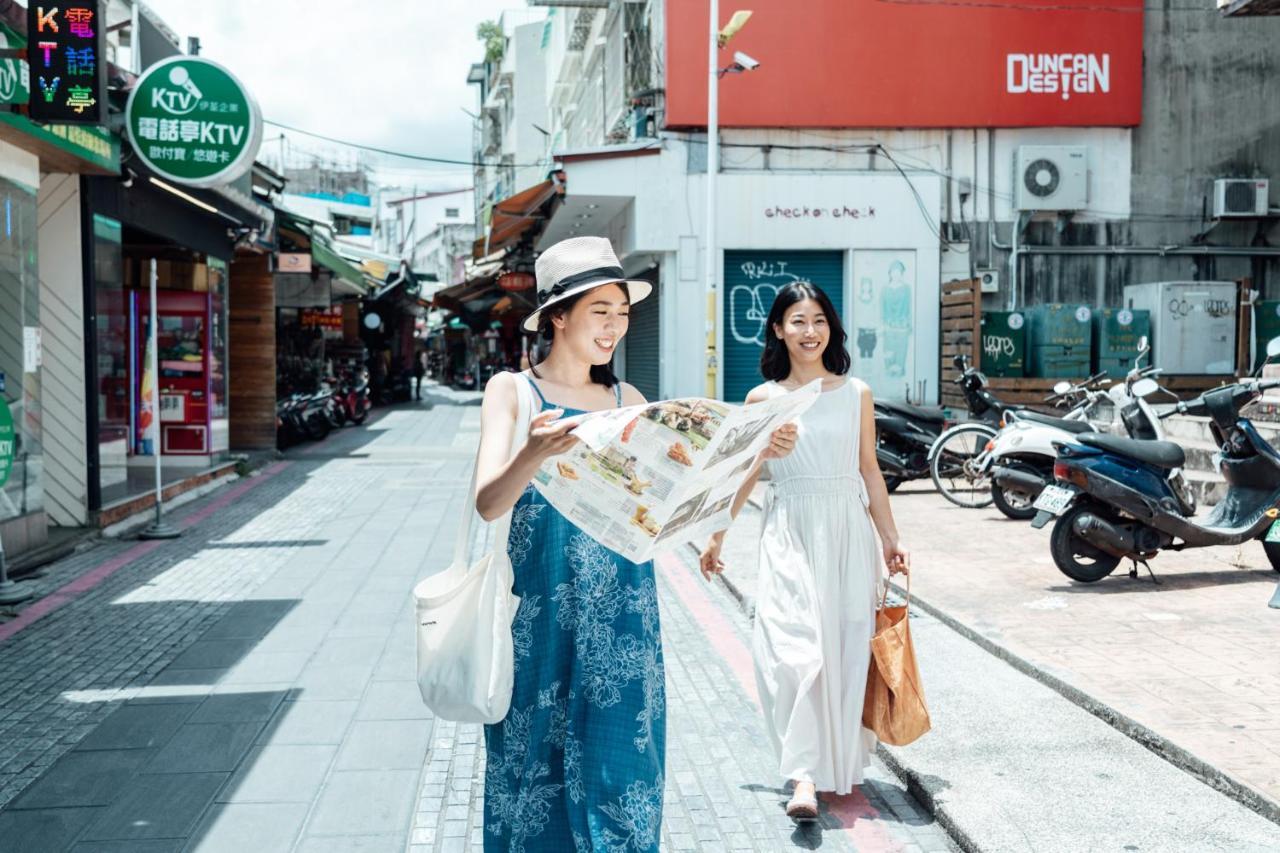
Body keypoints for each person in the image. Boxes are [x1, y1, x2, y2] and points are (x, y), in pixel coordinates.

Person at [475, 236, 789, 851]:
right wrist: (533, 453)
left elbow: (672, 508)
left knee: (623, 779)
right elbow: (487, 500)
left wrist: (753, 454)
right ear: (557, 316)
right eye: (601, 311)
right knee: (529, 776)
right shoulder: (511, 393)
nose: (615, 326)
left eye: (623, 313)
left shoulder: (631, 402)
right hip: (537, 620)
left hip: (623, 622)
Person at [698, 281, 910, 822]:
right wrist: (718, 533)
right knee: (790, 648)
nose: (809, 330)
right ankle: (804, 776)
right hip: (789, 528)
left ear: (830, 327)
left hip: (846, 532)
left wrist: (890, 539)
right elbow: (746, 473)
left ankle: (824, 767)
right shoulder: (763, 400)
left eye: (818, 319)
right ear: (777, 329)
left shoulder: (855, 391)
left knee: (840, 650)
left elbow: (869, 469)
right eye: (797, 320)